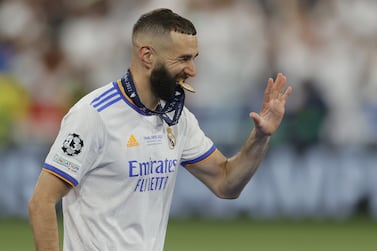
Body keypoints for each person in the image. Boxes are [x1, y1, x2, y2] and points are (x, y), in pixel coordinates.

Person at [28, 8, 292, 251]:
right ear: (147, 55)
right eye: (184, 59)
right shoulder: (93, 115)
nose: (193, 70)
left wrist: (260, 136)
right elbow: (41, 203)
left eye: (194, 58)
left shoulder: (177, 118)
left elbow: (226, 184)